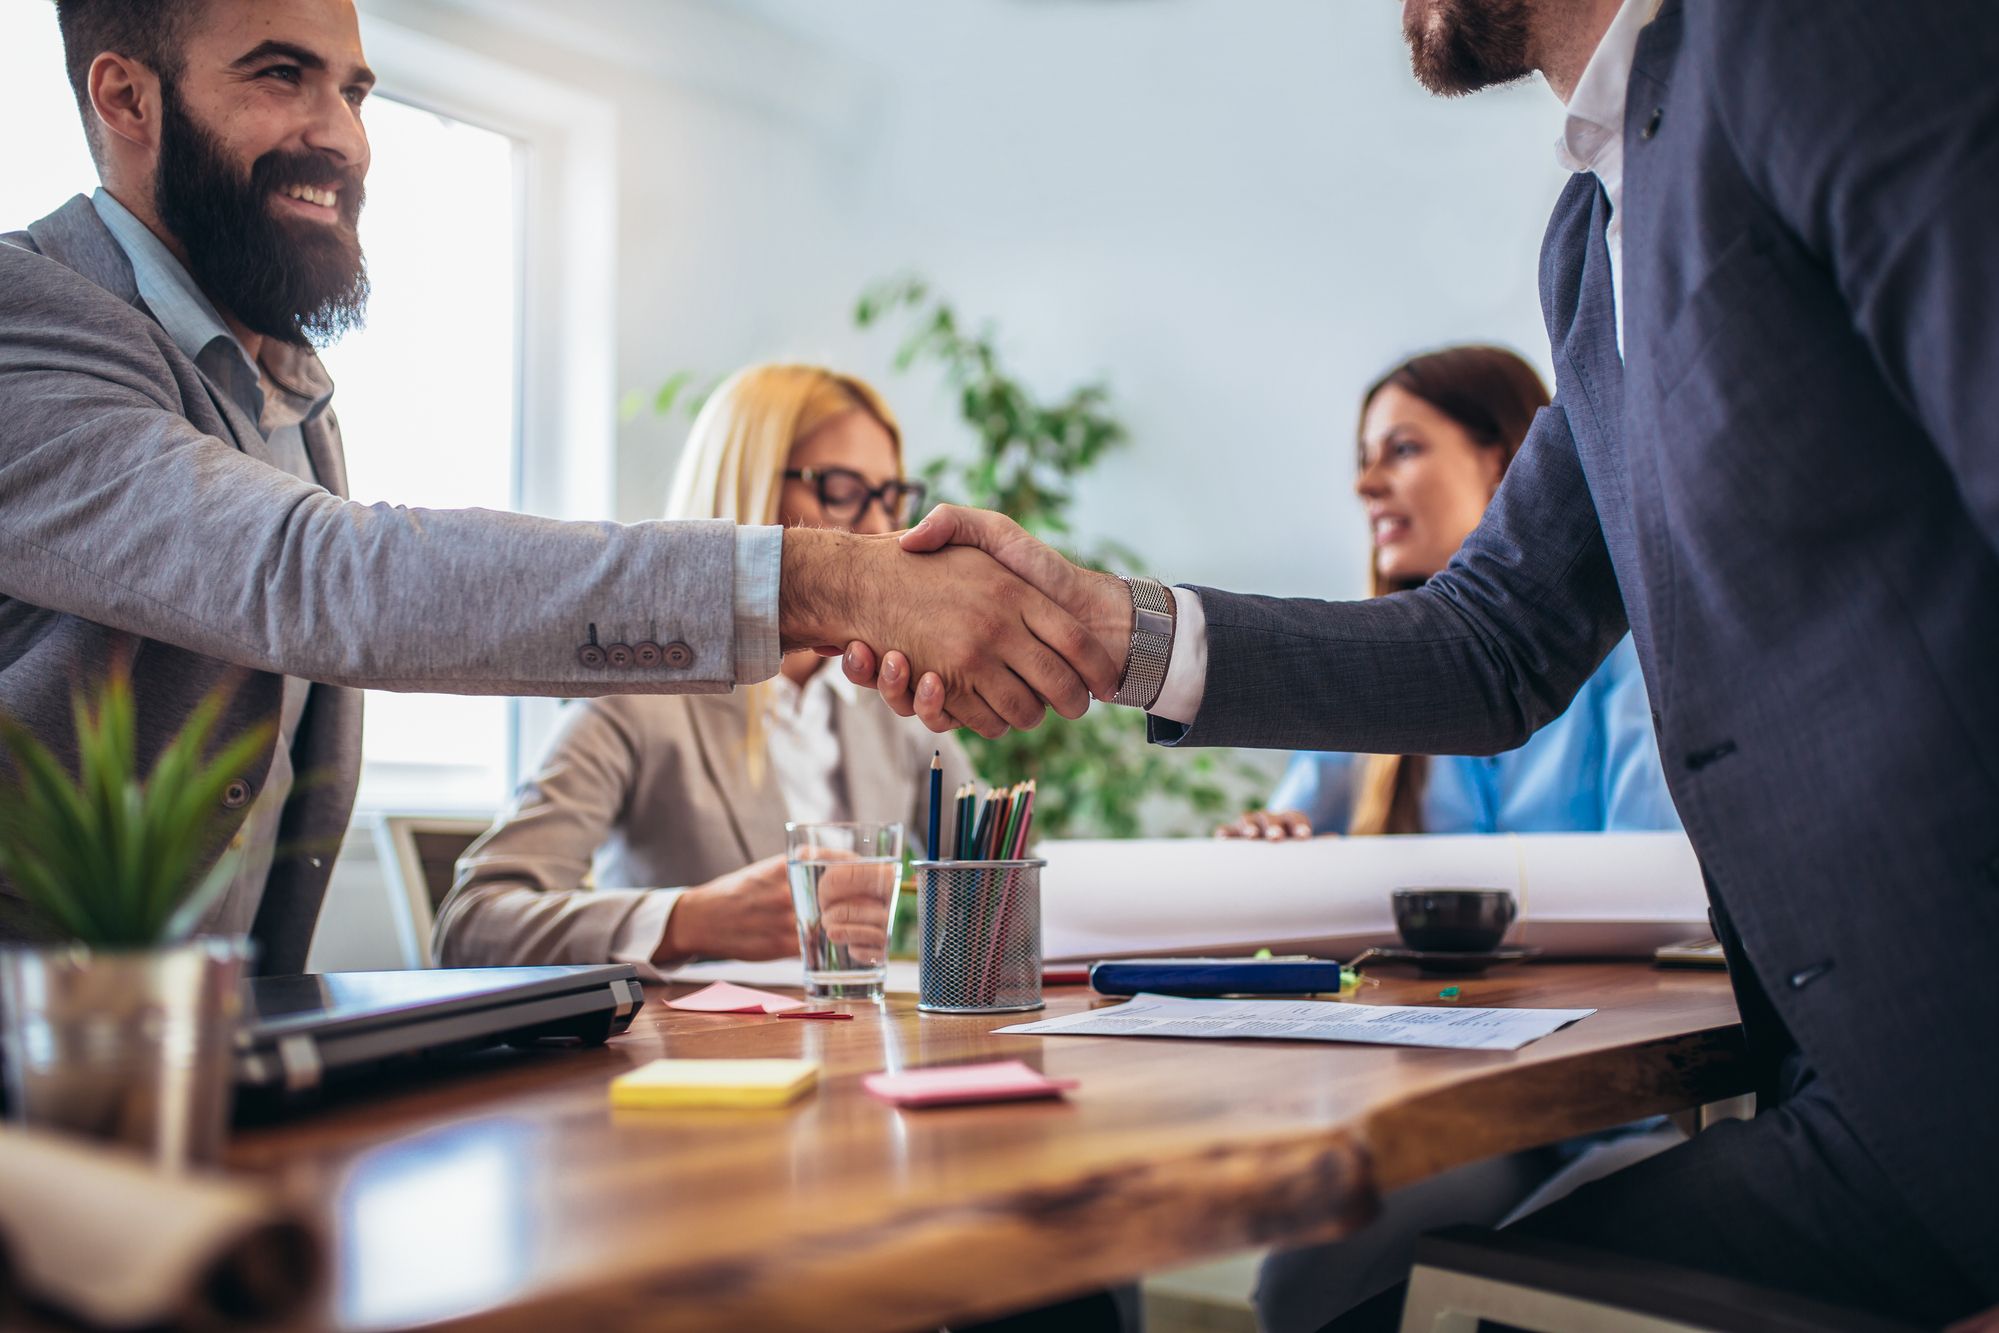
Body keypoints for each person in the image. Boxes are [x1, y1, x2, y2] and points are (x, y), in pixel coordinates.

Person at [861, 0, 1999, 1321]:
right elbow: (1489, 642)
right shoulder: (1590, 241)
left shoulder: (1812, 33)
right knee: (1370, 1300)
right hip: (1866, 1112)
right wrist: (1103, 630)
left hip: (1947, 1101)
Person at [0, 0, 1114, 975]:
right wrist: (823, 581)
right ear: (127, 97)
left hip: (210, 1074)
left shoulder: (285, 393)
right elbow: (318, 575)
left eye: (355, 90)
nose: (342, 138)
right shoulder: (28, 318)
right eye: (279, 74)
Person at [432, 365, 977, 970]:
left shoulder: (895, 706)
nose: (877, 530)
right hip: (699, 1058)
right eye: (842, 490)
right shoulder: (638, 700)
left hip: (860, 1052)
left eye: (889, 497)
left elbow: (996, 873)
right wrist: (690, 919)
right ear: (744, 490)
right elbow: (470, 925)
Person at [1217, 345, 1678, 843]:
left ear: (1507, 463)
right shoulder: (1369, 666)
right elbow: (1295, 827)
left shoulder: (1629, 648)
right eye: (1364, 459)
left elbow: (1650, 866)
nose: (1364, 484)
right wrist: (1273, 842)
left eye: (1404, 449)